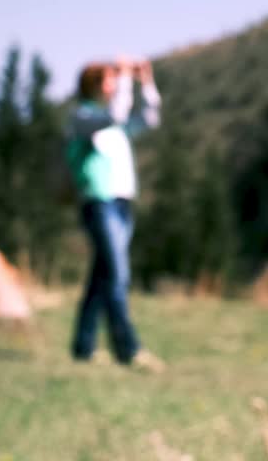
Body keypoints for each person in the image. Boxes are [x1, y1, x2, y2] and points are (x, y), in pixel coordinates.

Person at [65, 56, 165, 372]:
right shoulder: (83, 118)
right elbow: (116, 114)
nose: (114, 84)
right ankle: (128, 349)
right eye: (109, 79)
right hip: (99, 203)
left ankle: (83, 346)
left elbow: (149, 118)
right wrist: (125, 78)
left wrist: (145, 82)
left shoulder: (111, 123)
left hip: (121, 204)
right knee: (118, 276)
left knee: (102, 278)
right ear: (94, 84)